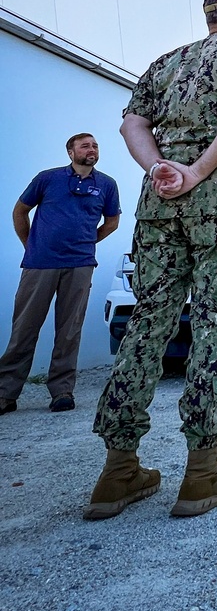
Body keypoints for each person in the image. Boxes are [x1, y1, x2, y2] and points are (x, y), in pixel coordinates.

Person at [85, 0, 217, 521]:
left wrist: (159, 169)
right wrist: (197, 171)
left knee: (149, 323)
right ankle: (202, 471)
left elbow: (131, 124)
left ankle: (118, 470)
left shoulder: (165, 63)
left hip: (160, 205)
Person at [0, 135, 121, 415]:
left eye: (95, 145)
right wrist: (31, 244)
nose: (91, 149)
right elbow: (20, 211)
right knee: (24, 329)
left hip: (80, 264)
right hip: (40, 264)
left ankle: (62, 391)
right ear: (70, 152)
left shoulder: (106, 184)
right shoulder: (47, 178)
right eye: (84, 145)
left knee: (69, 330)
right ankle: (6, 393)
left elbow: (112, 222)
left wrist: (86, 242)